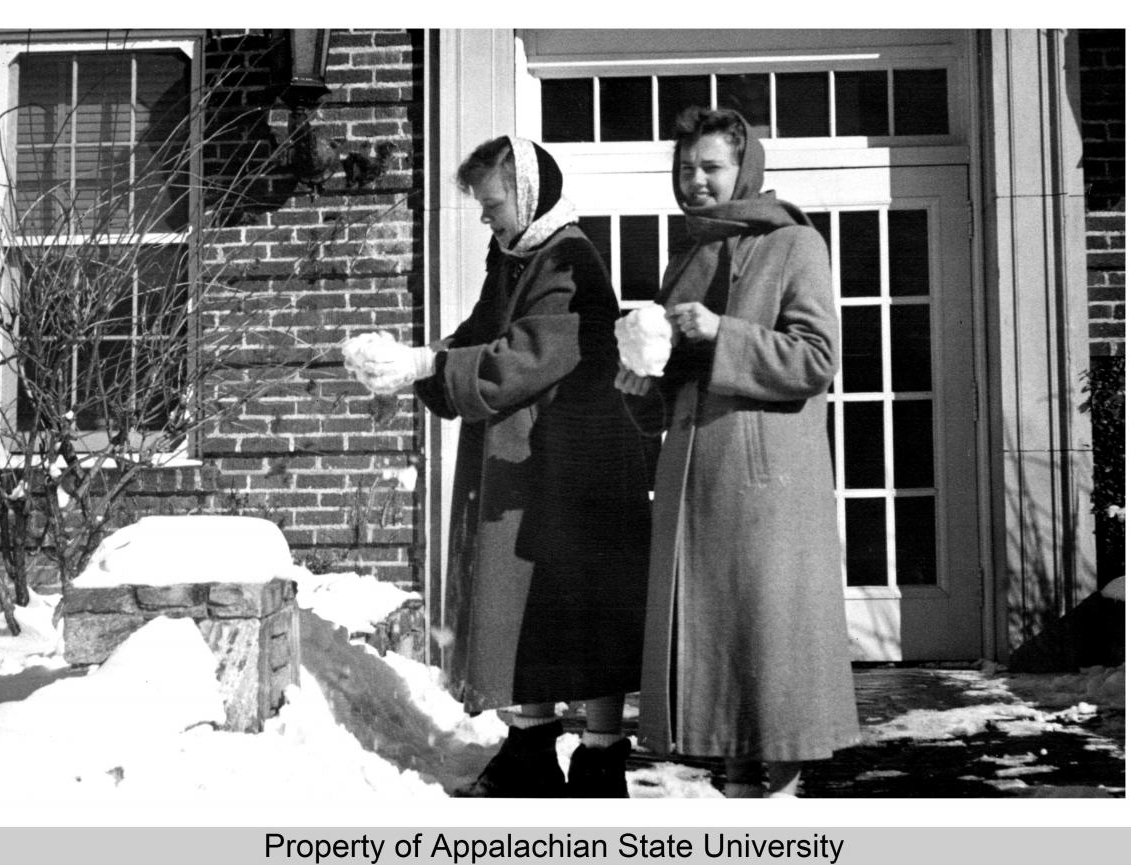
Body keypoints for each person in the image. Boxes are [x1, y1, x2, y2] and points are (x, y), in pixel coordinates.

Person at [360, 135, 656, 798]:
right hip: (535, 462)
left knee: (585, 611)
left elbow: (523, 355)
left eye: (493, 204)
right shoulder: (515, 255)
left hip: (580, 461)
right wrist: (414, 362)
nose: (487, 218)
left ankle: (601, 759)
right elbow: (477, 336)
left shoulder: (568, 258)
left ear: (526, 195)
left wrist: (428, 366)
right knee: (529, 604)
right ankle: (530, 745)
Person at [616, 107, 861, 797]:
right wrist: (638, 379)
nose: (694, 181)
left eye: (710, 168)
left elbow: (817, 358)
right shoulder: (685, 257)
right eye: (684, 168)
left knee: (768, 651)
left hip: (766, 485)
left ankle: (780, 799)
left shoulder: (795, 245)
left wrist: (725, 331)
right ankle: (738, 793)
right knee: (720, 660)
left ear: (744, 169)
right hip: (694, 484)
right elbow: (666, 393)